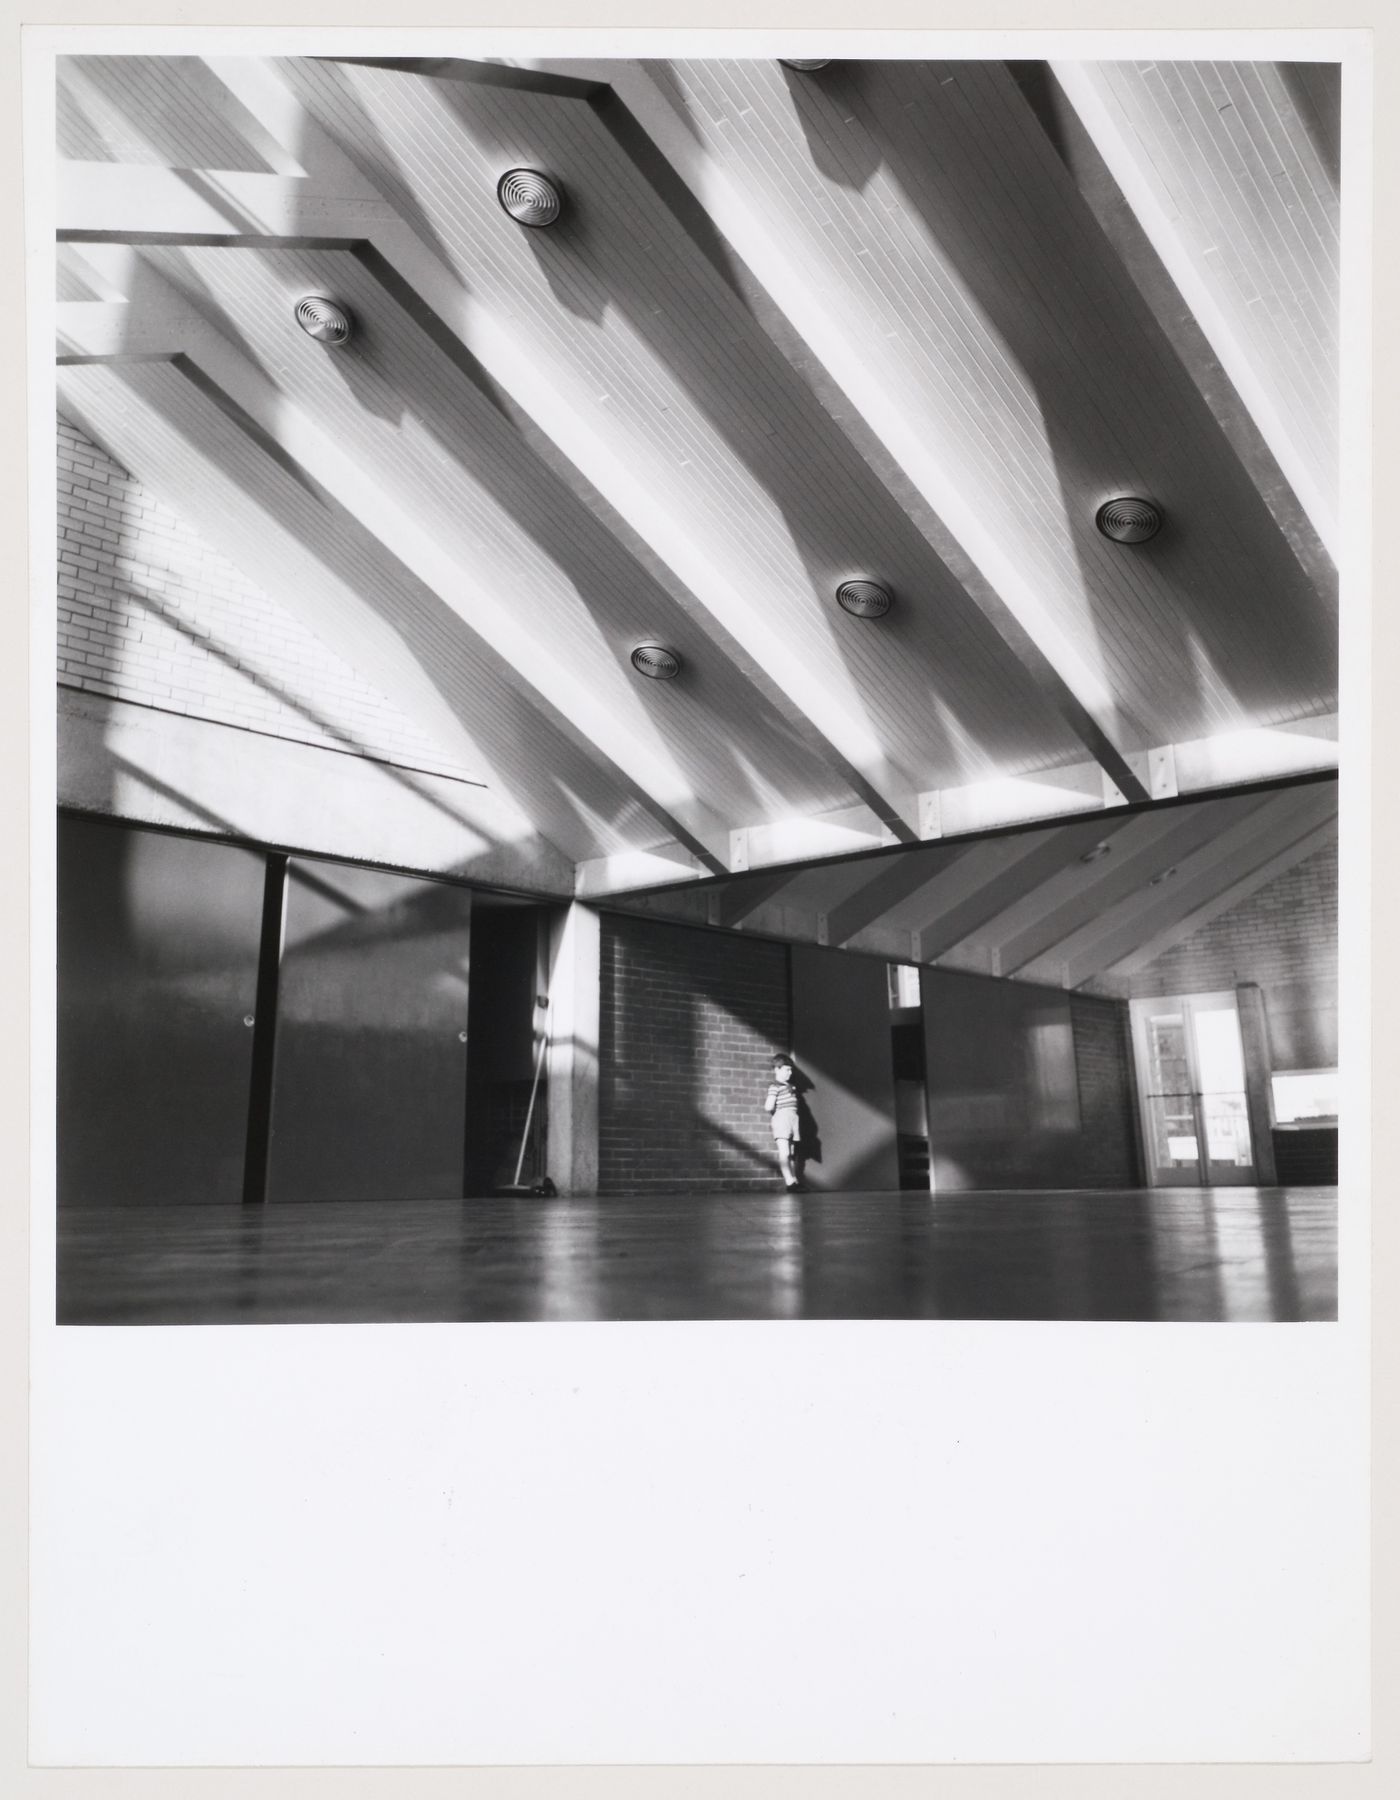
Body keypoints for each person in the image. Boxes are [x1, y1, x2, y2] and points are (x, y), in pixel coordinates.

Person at [764, 1055, 804, 1191]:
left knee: (792, 1153)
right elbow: (768, 1106)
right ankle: (789, 1182)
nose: (790, 1073)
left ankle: (794, 1179)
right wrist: (779, 1113)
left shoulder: (790, 1086)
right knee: (785, 1151)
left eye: (791, 1070)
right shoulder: (775, 1086)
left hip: (792, 1120)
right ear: (777, 1069)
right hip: (782, 1119)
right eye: (787, 1070)